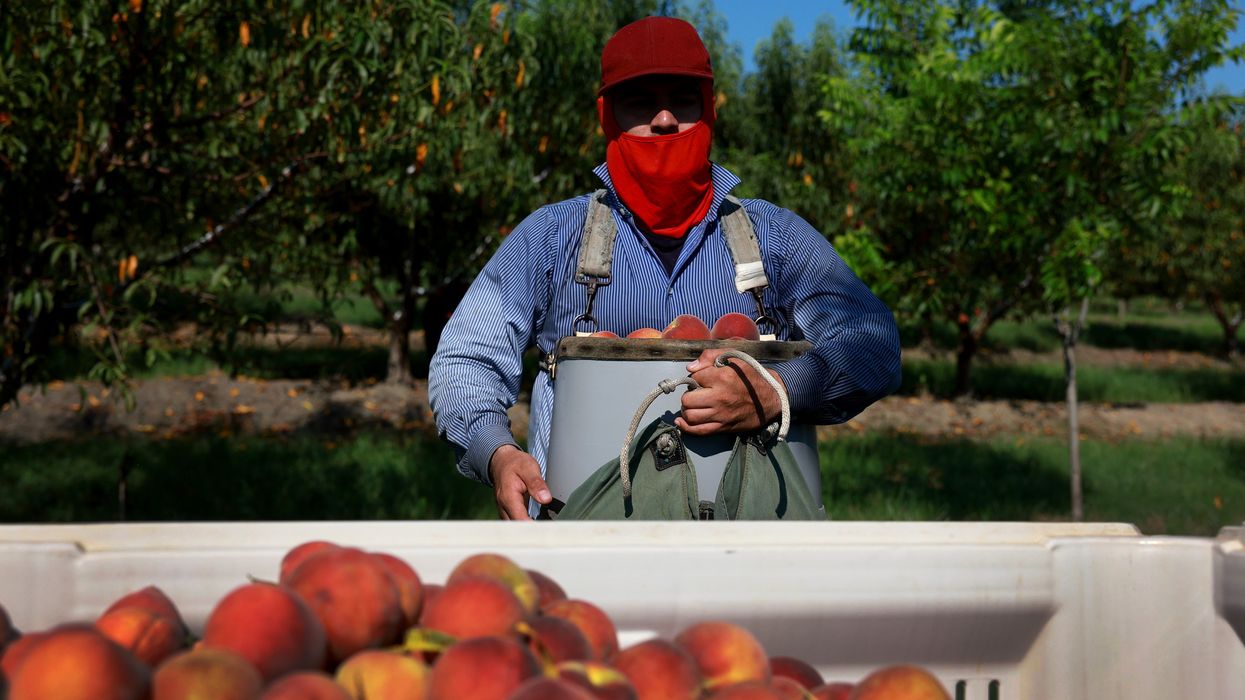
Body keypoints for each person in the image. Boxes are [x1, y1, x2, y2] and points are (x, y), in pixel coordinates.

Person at [429, 16, 901, 520]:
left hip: (753, 541)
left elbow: (872, 341)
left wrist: (776, 389)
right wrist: (496, 453)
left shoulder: (773, 238)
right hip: (589, 536)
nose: (663, 120)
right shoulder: (552, 238)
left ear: (710, 109)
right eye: (639, 101)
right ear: (607, 116)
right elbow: (465, 360)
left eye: (683, 98)